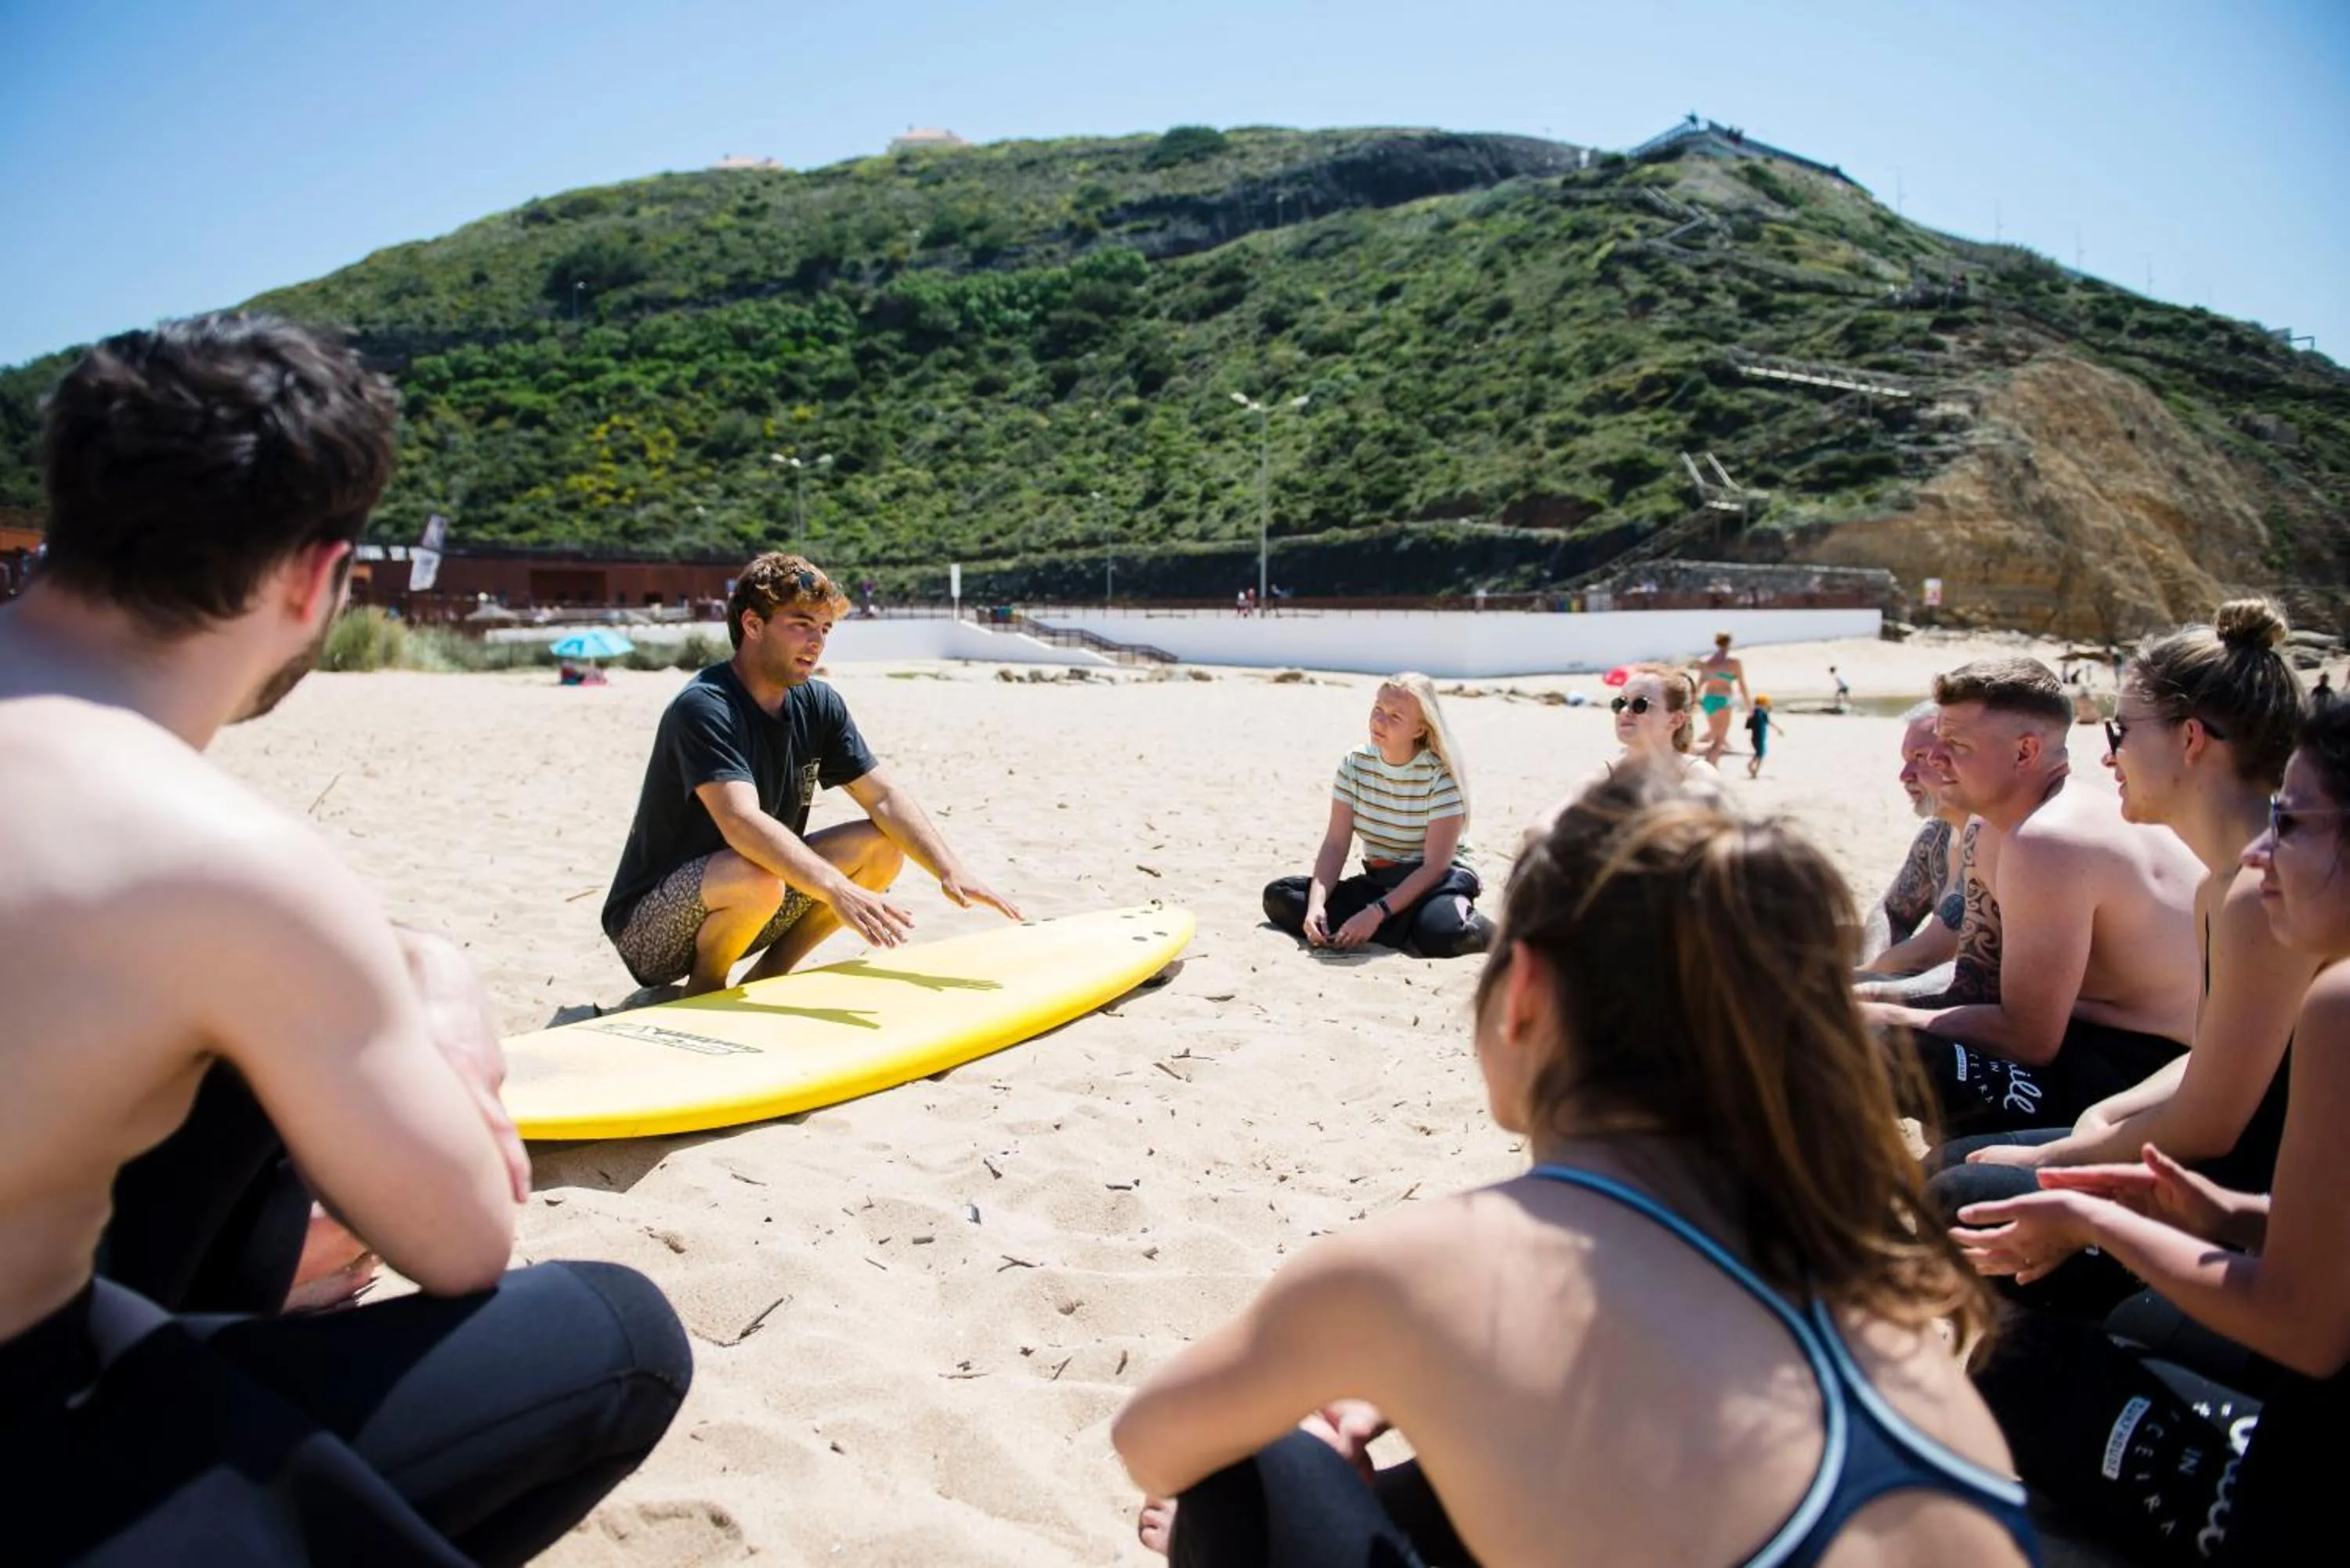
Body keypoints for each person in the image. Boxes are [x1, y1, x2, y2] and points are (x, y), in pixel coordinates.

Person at [0, 314, 689, 1564]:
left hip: (71, 1296)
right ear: (318, 580)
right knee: (623, 1334)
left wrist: (409, 951)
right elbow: (464, 1241)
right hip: (25, 1433)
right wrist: (436, 996)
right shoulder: (218, 858)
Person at [1119, 769, 2036, 1567]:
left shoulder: (1426, 1264)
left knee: (1254, 1473)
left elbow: (1152, 1444)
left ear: (1521, 995)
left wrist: (1358, 1394)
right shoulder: (1845, 1239)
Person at [1950, 699, 2350, 1563]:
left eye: (2293, 821)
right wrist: (2226, 1214)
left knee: (2007, 1358)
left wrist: (2101, 1220)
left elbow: (2306, 1325)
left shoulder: (2343, 1002)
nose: (2260, 850)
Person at [1922, 604, 2317, 1313]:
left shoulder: (2263, 892)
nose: (2108, 757)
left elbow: (2212, 1124)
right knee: (1959, 1174)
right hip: (2227, 1166)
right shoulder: (2219, 884)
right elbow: (2206, 1055)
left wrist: (2054, 1160)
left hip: (2257, 1196)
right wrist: (2100, 1121)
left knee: (1967, 1197)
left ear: (2191, 739)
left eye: (2120, 731)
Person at [602, 551, 1020, 997]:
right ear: (753, 625)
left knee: (881, 846)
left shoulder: (819, 704)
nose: (816, 641)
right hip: (651, 925)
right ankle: (704, 991)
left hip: (756, 900)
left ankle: (767, 978)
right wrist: (836, 889)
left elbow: (882, 797)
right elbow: (741, 822)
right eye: (801, 623)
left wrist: (949, 869)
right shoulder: (705, 706)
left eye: (824, 628)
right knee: (756, 876)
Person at [1864, 658, 2203, 1136]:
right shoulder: (1991, 829)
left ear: (2025, 752)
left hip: (2146, 1070)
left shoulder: (2051, 839)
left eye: (1956, 744)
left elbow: (2029, 1038)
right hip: (2078, 1038)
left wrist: (1885, 1014)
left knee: (1880, 1049)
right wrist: (1870, 996)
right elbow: (1974, 985)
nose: (1937, 759)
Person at [1261, 674, 1492, 959]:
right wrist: (1316, 906)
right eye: (1378, 710)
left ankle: (1486, 931)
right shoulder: (1355, 765)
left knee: (1441, 935)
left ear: (1419, 729)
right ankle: (1401, 928)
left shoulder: (1440, 776)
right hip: (1382, 881)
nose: (1380, 721)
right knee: (1281, 897)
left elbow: (1435, 867)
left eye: (1395, 716)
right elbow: (1335, 844)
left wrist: (1375, 913)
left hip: (1437, 881)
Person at [1858, 701, 1972, 981]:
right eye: (1906, 759)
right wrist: (1877, 965)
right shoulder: (1937, 834)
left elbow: (1937, 949)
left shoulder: (2001, 837)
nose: (1904, 775)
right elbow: (1891, 910)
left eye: (1920, 757)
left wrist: (1864, 978)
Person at [1694, 630, 1748, 765]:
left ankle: (1710, 765)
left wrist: (1692, 702)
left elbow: (1699, 685)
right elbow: (1742, 685)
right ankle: (1711, 767)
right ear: (1729, 644)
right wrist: (1749, 705)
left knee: (1714, 735)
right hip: (1723, 700)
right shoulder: (1734, 663)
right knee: (1719, 739)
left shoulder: (1707, 663)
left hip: (1708, 700)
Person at [1743, 694, 1784, 779]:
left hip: (1754, 738)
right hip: (1760, 737)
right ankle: (1753, 769)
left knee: (1759, 753)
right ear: (1763, 704)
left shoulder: (1754, 712)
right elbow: (1769, 722)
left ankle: (1753, 769)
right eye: (1766, 704)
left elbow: (1747, 726)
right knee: (1761, 754)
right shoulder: (1761, 713)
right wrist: (1779, 730)